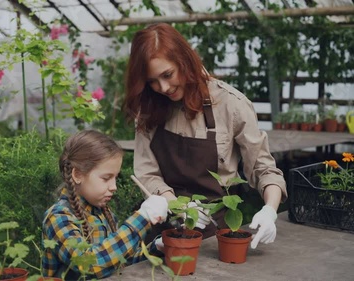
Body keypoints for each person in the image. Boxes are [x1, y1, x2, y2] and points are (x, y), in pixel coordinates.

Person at [123, 23, 287, 249]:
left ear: (184, 61)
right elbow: (146, 172)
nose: (163, 87)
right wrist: (178, 207)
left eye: (168, 75)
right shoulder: (149, 108)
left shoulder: (231, 105)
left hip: (214, 235)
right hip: (163, 232)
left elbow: (263, 168)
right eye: (152, 81)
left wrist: (270, 210)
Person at [42, 130, 169, 279]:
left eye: (115, 177)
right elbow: (89, 265)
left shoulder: (103, 213)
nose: (114, 186)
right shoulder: (58, 218)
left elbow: (119, 261)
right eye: (106, 178)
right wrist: (142, 217)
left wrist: (157, 247)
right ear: (77, 175)